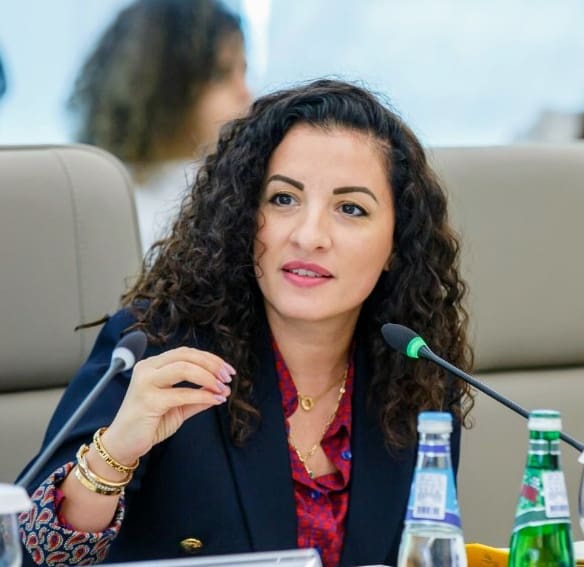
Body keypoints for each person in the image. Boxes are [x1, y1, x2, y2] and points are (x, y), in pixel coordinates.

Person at [18, 78, 474, 567]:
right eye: (283, 199)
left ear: (396, 246)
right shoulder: (158, 346)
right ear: (243, 214)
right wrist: (114, 454)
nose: (309, 235)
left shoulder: (416, 376)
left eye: (350, 208)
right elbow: (30, 551)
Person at [67, 0, 252, 251]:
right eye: (220, 74)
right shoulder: (100, 204)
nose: (245, 92)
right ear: (162, 88)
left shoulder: (235, 194)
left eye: (244, 72)